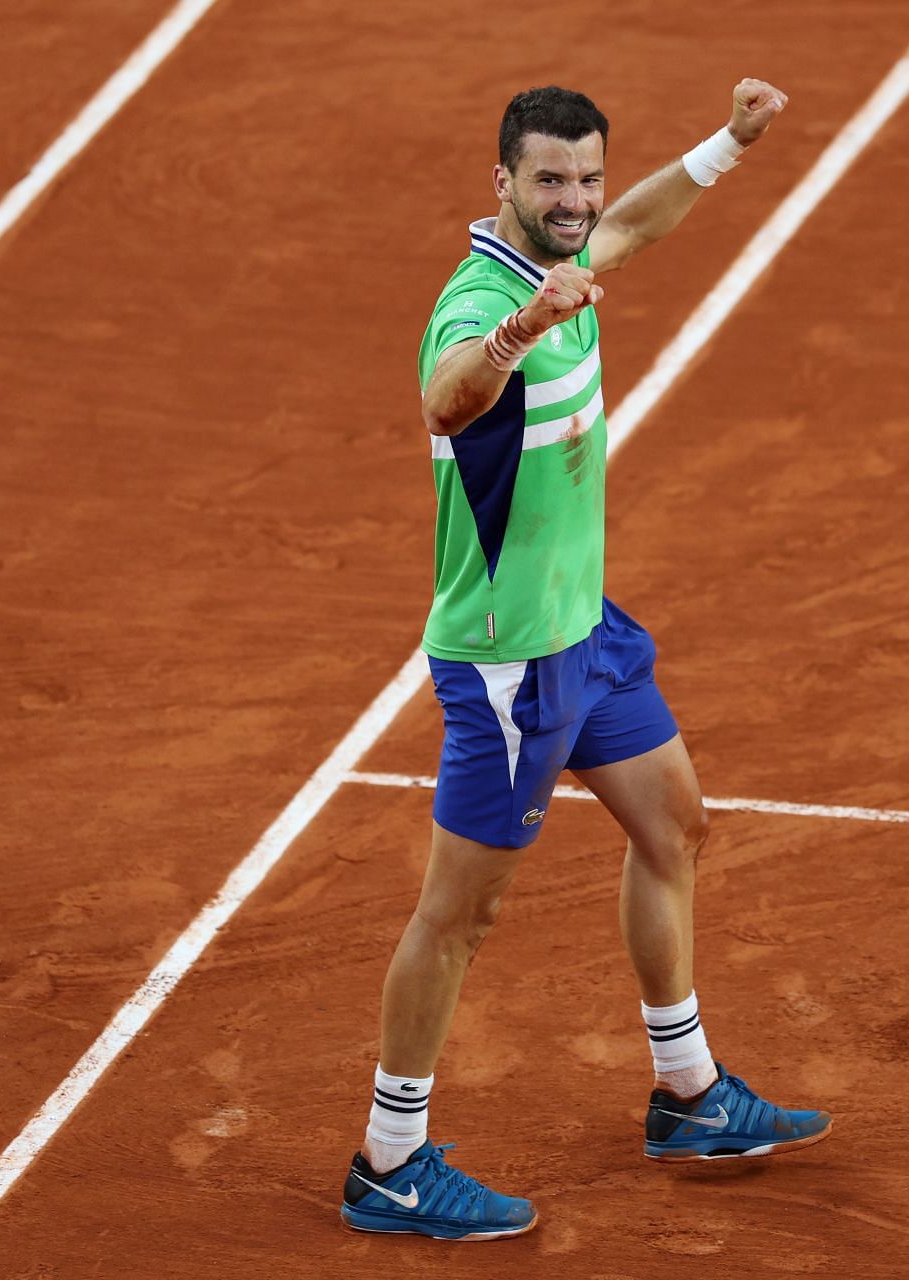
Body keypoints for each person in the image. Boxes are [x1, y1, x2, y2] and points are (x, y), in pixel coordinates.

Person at [340, 79, 830, 1242]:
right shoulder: (477, 298)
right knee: (459, 916)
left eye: (587, 177)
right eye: (550, 179)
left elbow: (639, 225)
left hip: (589, 635)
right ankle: (389, 1158)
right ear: (499, 180)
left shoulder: (573, 248)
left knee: (674, 824)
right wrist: (525, 326)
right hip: (513, 666)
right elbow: (444, 400)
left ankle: (688, 1092)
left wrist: (730, 143)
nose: (576, 200)